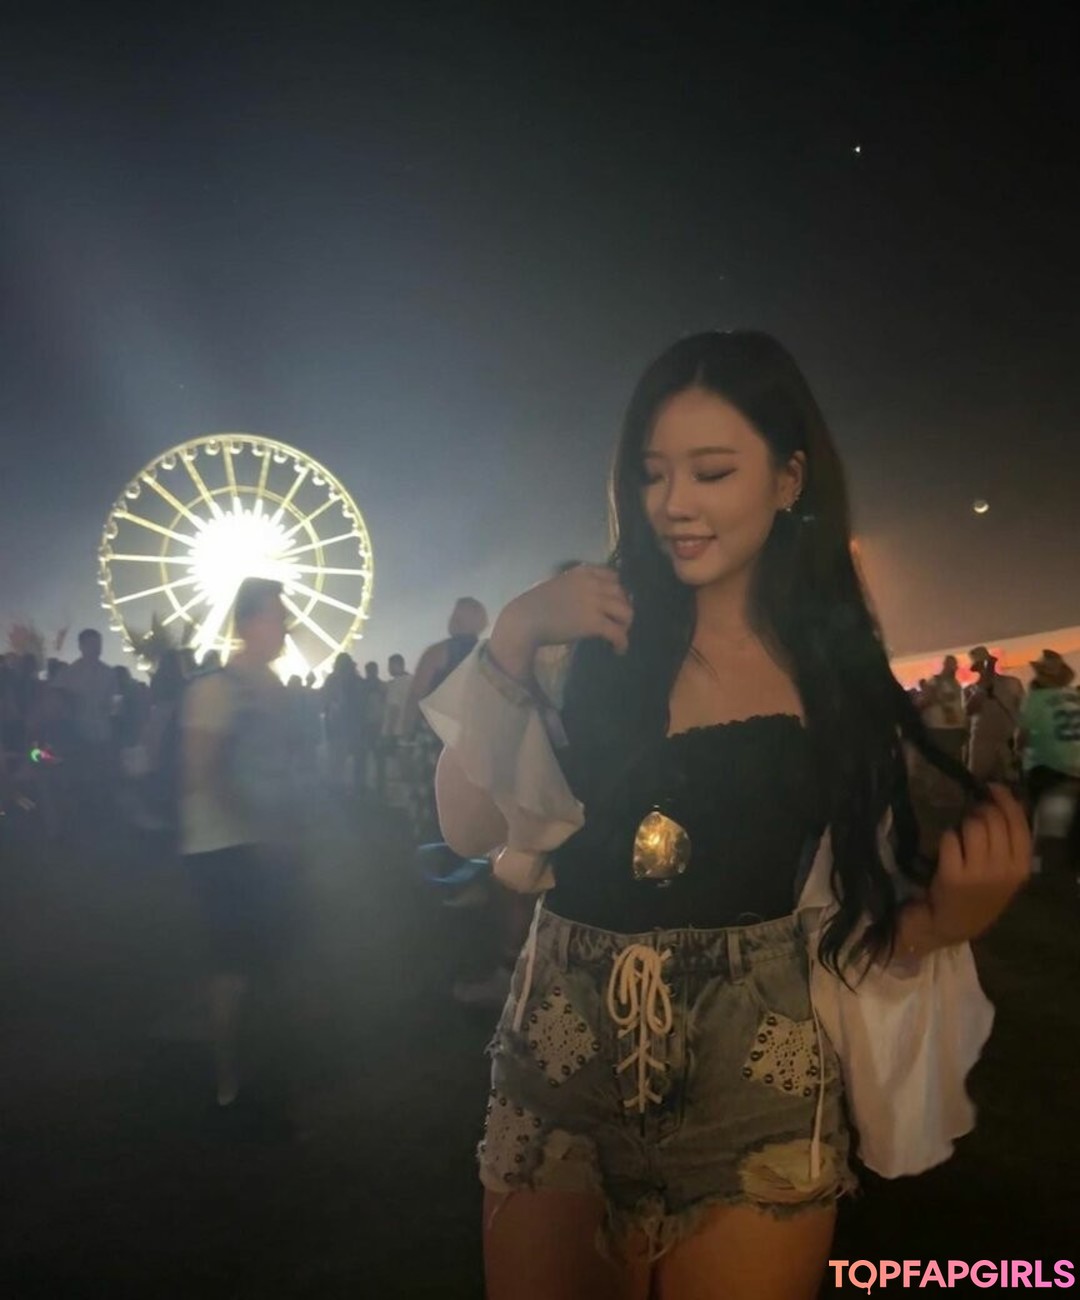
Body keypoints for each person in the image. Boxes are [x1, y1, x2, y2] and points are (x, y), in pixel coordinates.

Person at [422, 331, 1029, 1300]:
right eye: (653, 472)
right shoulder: (582, 639)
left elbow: (850, 918)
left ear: (789, 480)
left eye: (711, 472)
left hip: (758, 1077)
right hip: (566, 1056)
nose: (674, 502)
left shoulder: (830, 677)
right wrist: (515, 635)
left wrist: (952, 918)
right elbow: (466, 829)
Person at [179, 577, 298, 1116]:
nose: (286, 626)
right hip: (222, 847)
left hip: (261, 845)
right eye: (276, 616)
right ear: (249, 623)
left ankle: (252, 1065)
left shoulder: (271, 687)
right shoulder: (215, 690)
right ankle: (228, 1085)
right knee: (232, 967)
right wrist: (259, 828)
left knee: (258, 961)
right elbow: (202, 772)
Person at [404, 597, 488, 841]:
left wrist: (405, 733)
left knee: (431, 794)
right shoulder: (488, 655)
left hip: (435, 736)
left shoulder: (437, 653)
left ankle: (430, 841)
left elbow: (416, 694)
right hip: (472, 737)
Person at [1019, 649, 1080, 872]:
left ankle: (1038, 866)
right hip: (1076, 763)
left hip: (1047, 766)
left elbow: (1023, 736)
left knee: (1041, 820)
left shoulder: (1036, 699)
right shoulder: (1074, 696)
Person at [965, 645, 1024, 785]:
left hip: (1007, 739)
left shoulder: (1011, 683)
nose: (985, 668)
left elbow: (1023, 709)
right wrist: (983, 686)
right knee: (978, 781)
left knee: (1012, 780)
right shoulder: (970, 690)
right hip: (982, 741)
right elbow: (969, 710)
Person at [916, 654, 968, 762]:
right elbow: (926, 700)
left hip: (954, 728)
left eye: (954, 665)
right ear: (946, 666)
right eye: (951, 665)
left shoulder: (956, 683)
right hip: (940, 728)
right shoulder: (935, 681)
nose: (954, 669)